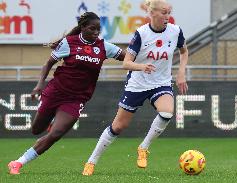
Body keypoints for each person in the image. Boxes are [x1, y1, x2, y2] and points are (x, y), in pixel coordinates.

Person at [8, 12, 125, 175]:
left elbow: (127, 57)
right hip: (55, 92)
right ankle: (51, 120)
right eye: (93, 29)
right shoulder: (69, 43)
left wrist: (143, 61)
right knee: (36, 129)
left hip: (76, 98)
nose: (97, 32)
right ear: (83, 27)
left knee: (55, 134)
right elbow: (48, 63)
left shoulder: (104, 46)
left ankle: (17, 162)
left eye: (99, 29)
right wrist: (39, 85)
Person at [82, 0, 188, 176]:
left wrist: (181, 72)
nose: (167, 17)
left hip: (160, 83)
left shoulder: (175, 31)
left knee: (167, 112)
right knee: (118, 126)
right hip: (137, 83)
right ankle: (91, 161)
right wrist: (142, 67)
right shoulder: (141, 34)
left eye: (169, 12)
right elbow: (126, 63)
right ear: (152, 13)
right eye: (163, 12)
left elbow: (184, 51)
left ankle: (144, 148)